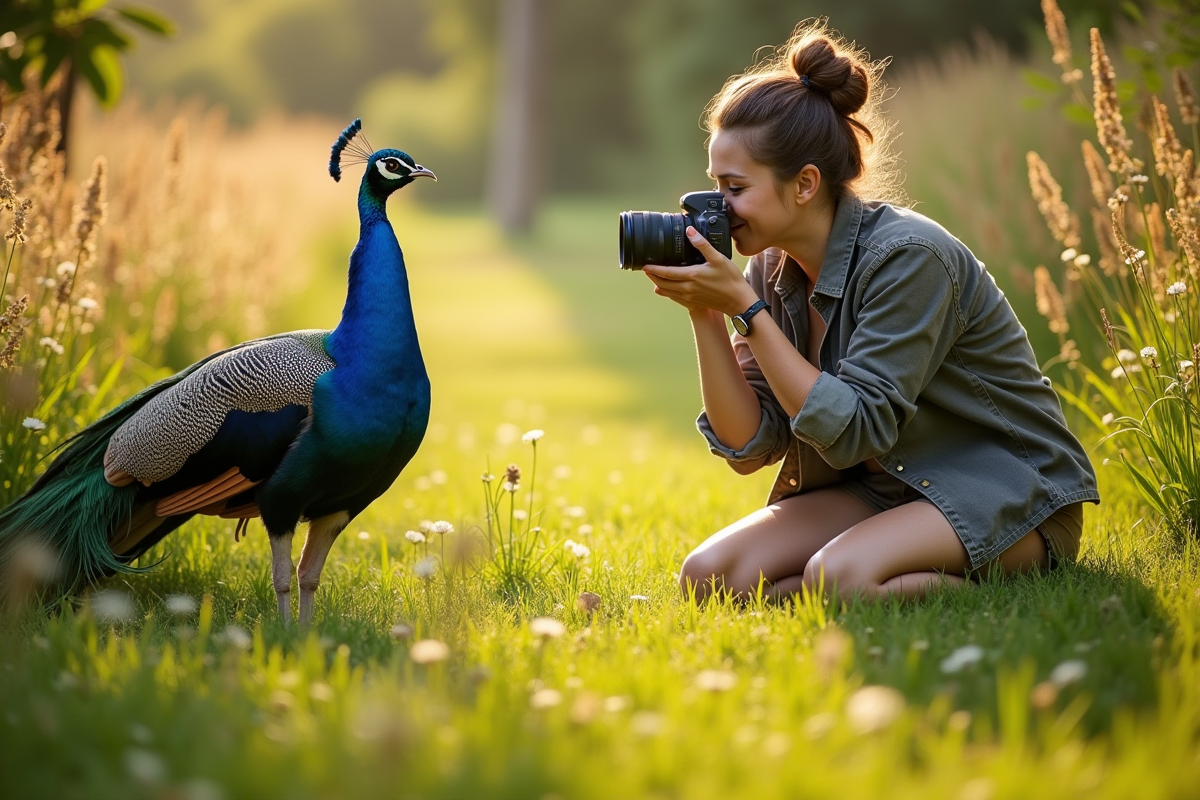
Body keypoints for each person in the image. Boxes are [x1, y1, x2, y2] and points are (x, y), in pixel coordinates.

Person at [643, 22, 1100, 603]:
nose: (715, 210)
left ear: (805, 183)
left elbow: (857, 430)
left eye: (734, 189)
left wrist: (745, 309)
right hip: (885, 491)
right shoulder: (768, 267)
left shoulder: (908, 258)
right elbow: (750, 446)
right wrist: (706, 314)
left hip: (1005, 489)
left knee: (838, 580)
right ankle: (860, 574)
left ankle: (964, 580)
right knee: (710, 578)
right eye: (714, 187)